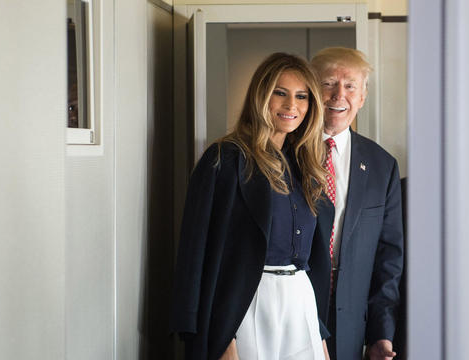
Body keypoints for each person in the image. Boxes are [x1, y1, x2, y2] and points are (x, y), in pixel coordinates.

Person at [170, 52, 336, 360]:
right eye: (280, 93)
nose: (292, 106)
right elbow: (195, 253)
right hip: (244, 306)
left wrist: (319, 333)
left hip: (300, 302)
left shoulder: (306, 166)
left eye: (302, 96)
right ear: (261, 96)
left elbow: (309, 261)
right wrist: (218, 337)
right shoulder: (225, 159)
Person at [310, 47, 404, 360]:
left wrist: (381, 335)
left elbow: (388, 259)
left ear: (362, 97)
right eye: (328, 84)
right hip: (291, 313)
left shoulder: (383, 166)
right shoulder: (283, 154)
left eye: (350, 86)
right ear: (311, 90)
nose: (339, 95)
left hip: (350, 324)